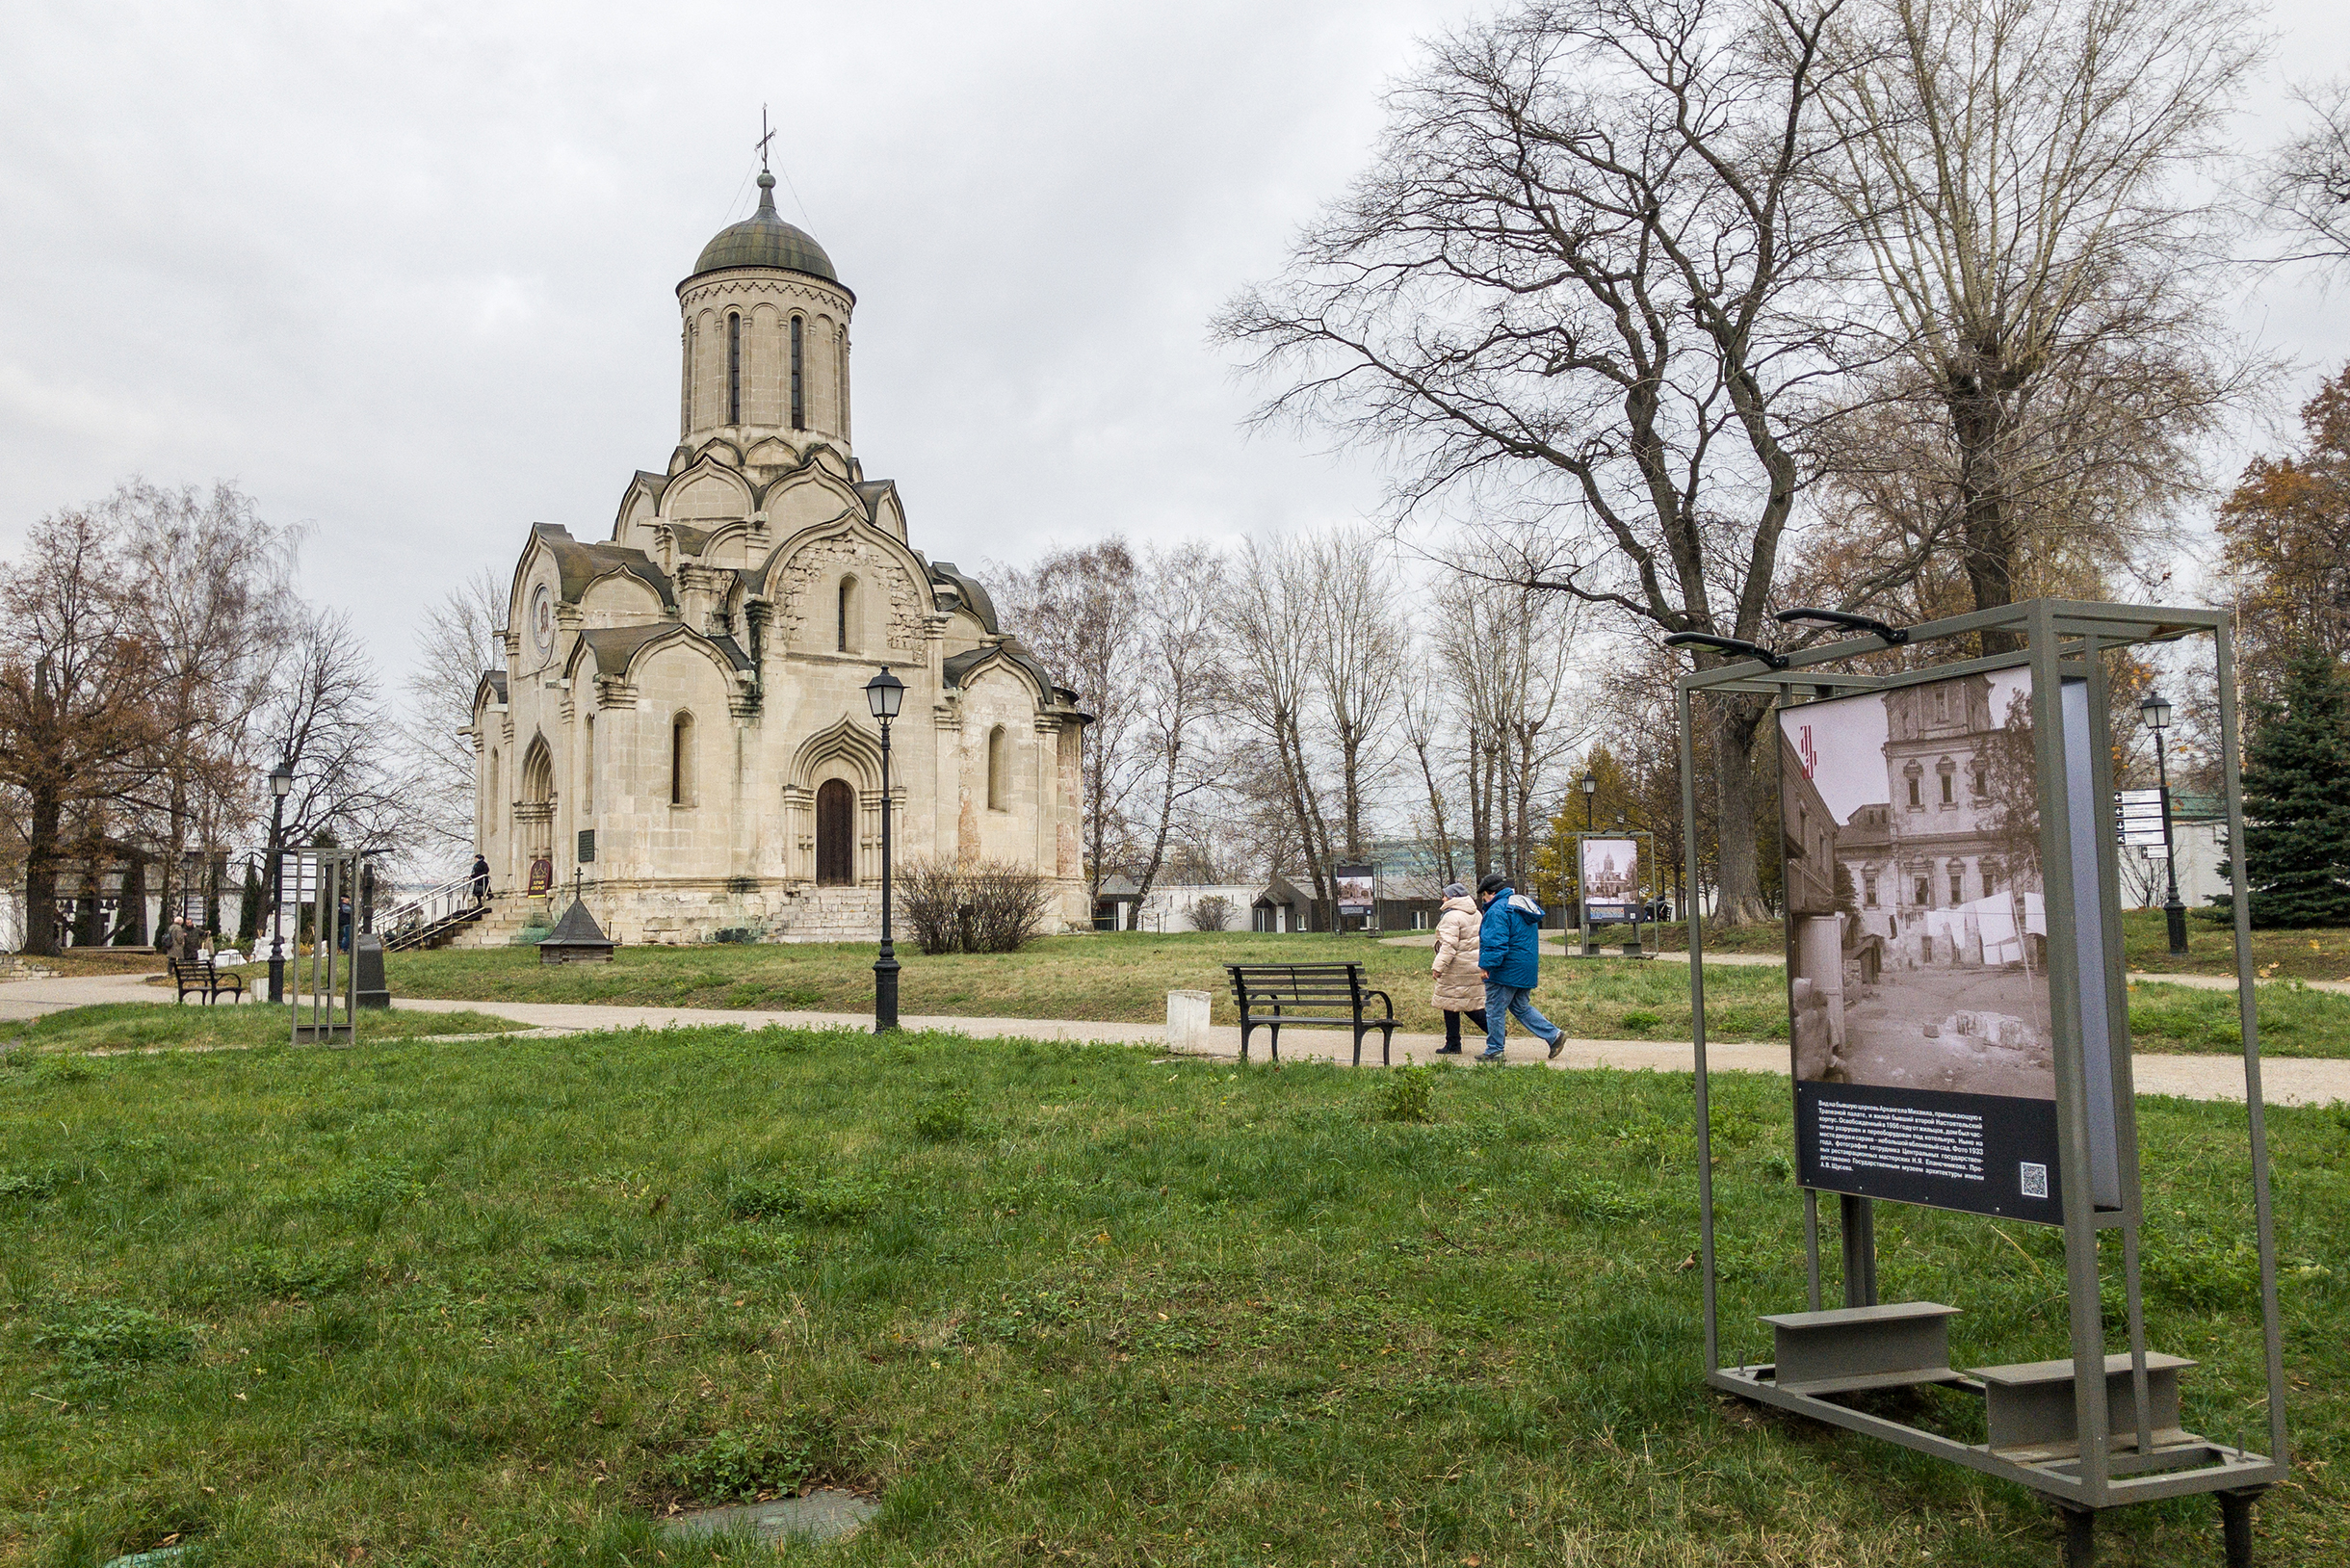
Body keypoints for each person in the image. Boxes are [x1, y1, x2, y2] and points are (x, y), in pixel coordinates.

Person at [1475, 871, 1564, 1061]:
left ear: (1491, 892)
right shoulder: (1522, 905)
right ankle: (1554, 1035)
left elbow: (1495, 943)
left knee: (1494, 1009)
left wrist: (1486, 967)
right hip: (1526, 967)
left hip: (1505, 969)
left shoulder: (1498, 909)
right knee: (1520, 1007)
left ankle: (1494, 1050)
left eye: (1484, 895)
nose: (1484, 899)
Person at [1429, 881, 1488, 1054]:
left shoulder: (1451, 916)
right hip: (1473, 965)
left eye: (1445, 895)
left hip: (1456, 968)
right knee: (1463, 1003)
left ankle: (1456, 1043)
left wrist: (1438, 966)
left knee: (1456, 1004)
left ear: (1453, 898)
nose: (1442, 898)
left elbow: (1449, 945)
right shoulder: (1476, 913)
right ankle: (1455, 1041)